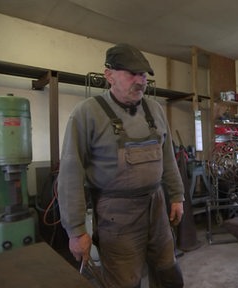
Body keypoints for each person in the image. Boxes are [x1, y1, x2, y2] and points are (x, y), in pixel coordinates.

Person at [57, 43, 185, 288]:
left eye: (143, 75)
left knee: (168, 271)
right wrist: (76, 230)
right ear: (109, 75)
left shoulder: (155, 110)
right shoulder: (86, 113)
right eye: (131, 74)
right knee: (124, 281)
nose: (140, 81)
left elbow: (167, 156)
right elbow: (70, 174)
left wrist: (177, 195)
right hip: (116, 215)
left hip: (156, 207)